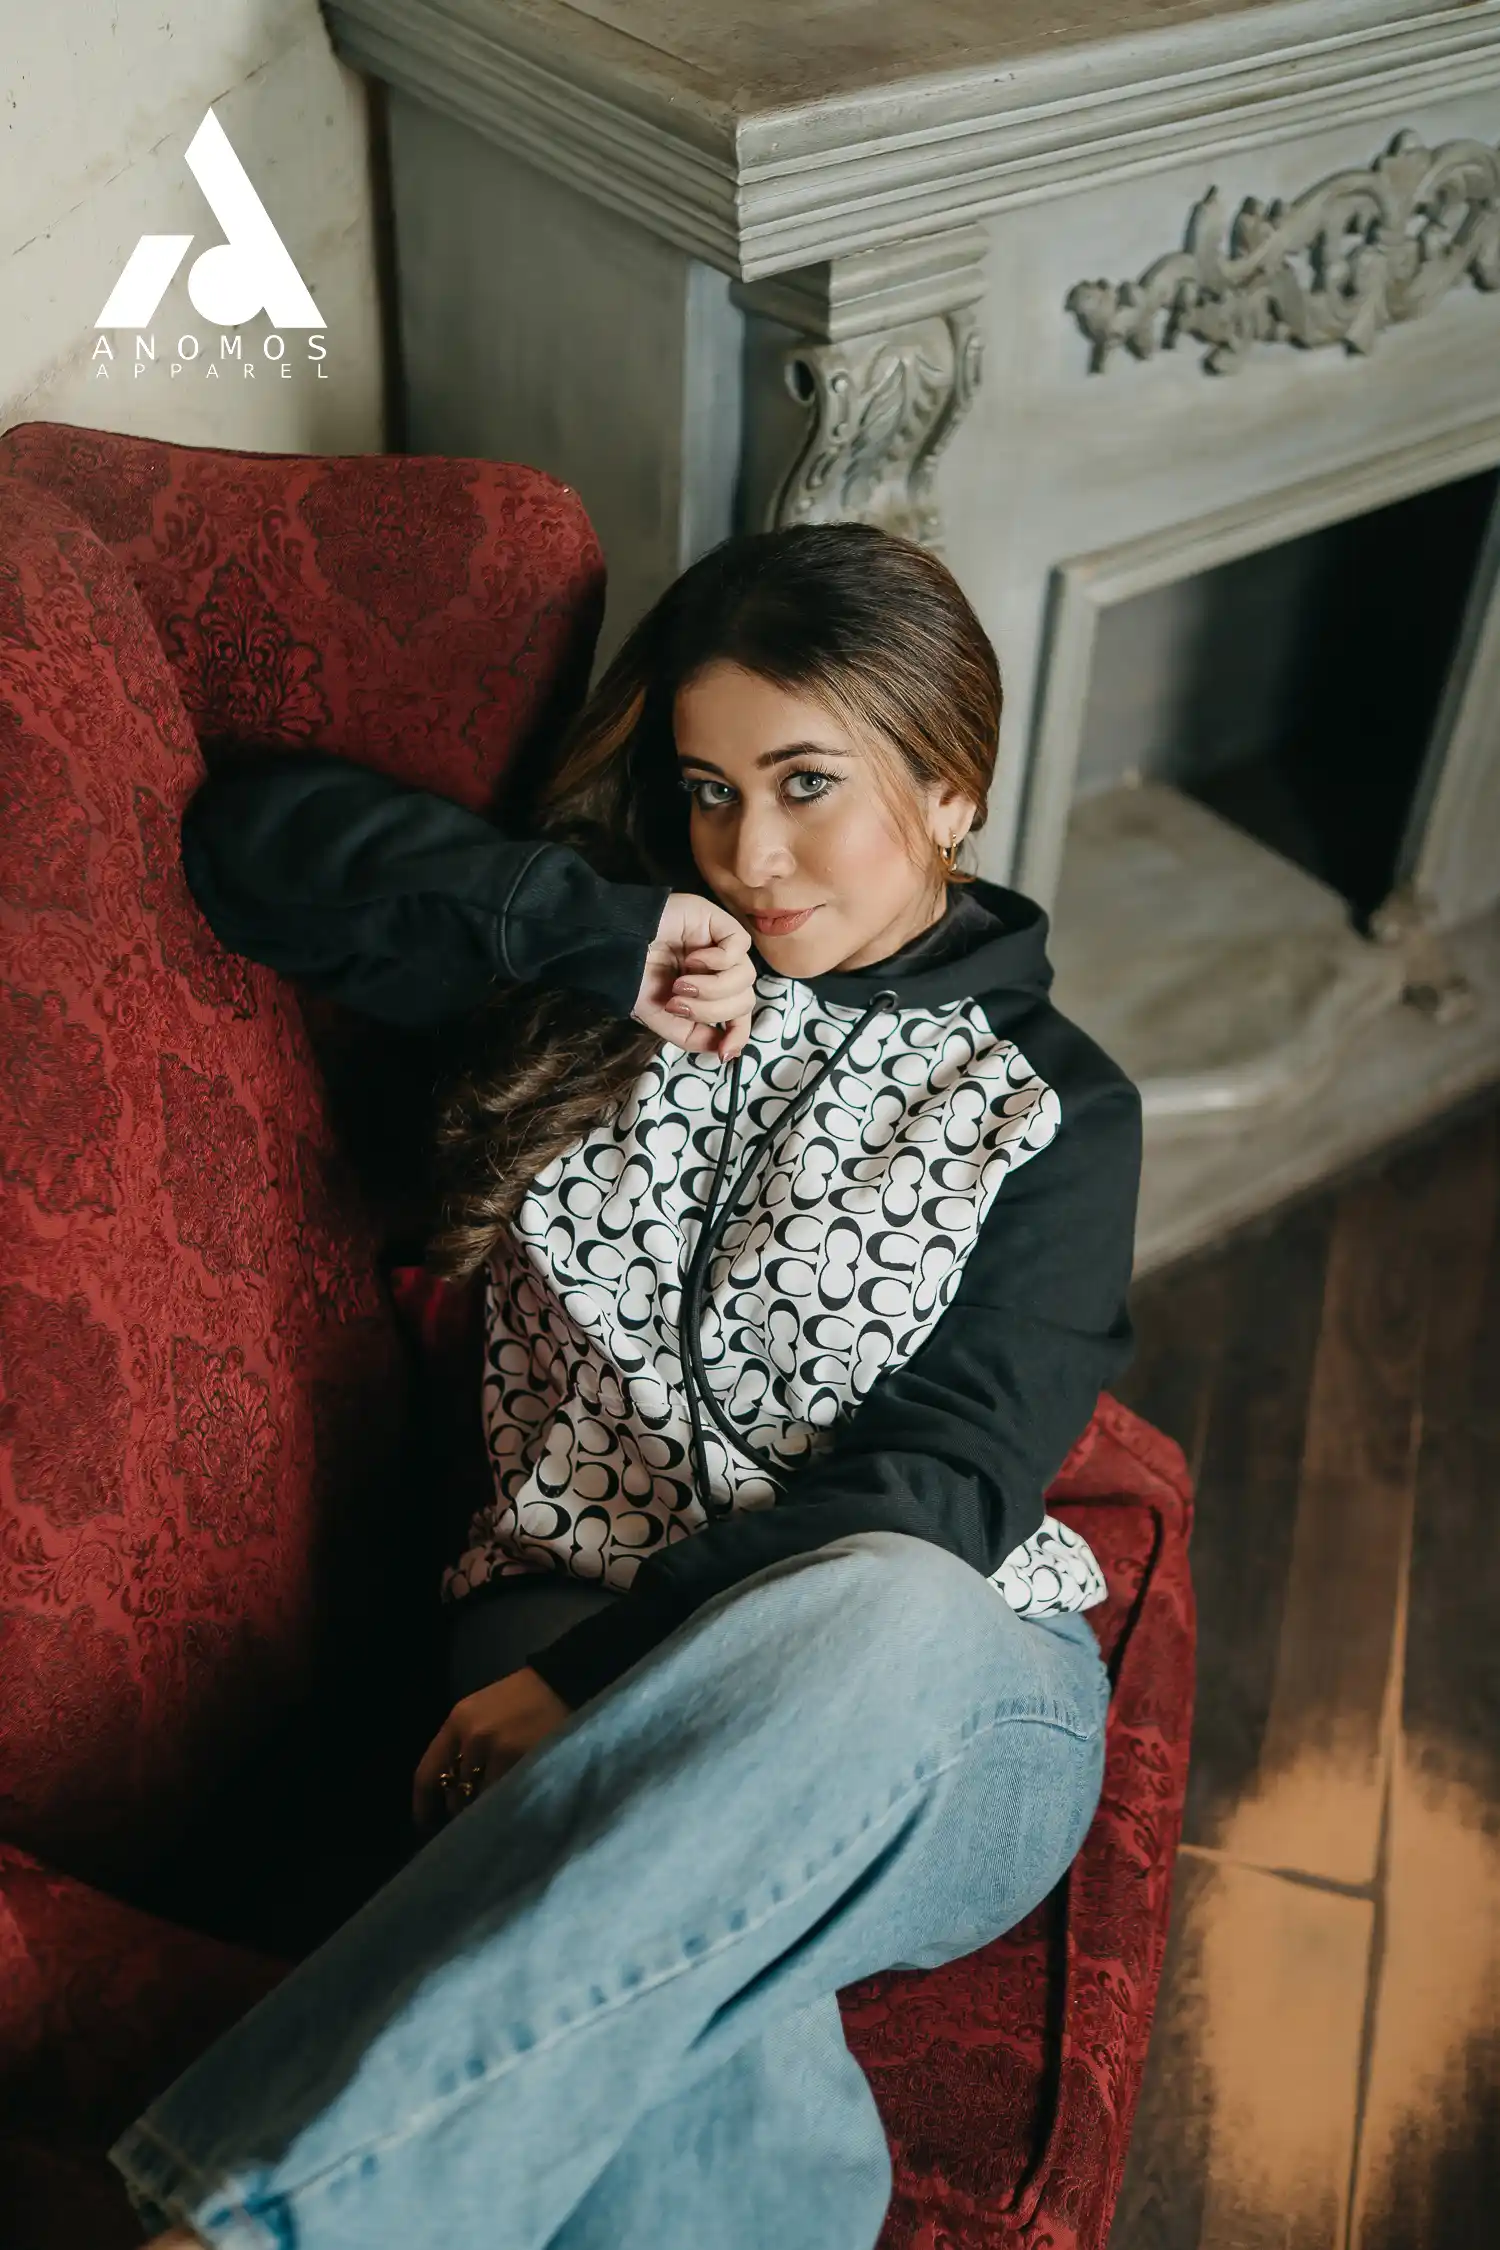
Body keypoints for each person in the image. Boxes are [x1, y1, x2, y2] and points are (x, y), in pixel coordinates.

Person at [111, 520, 1142, 2250]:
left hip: (939, 1703)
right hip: (549, 1620)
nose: (751, 852)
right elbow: (247, 850)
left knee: (890, 1594)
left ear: (950, 787)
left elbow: (948, 1490)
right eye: (708, 790)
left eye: (806, 784)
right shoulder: (612, 970)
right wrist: (591, 928)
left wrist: (597, 1682)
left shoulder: (1054, 1105)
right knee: (686, 1991)